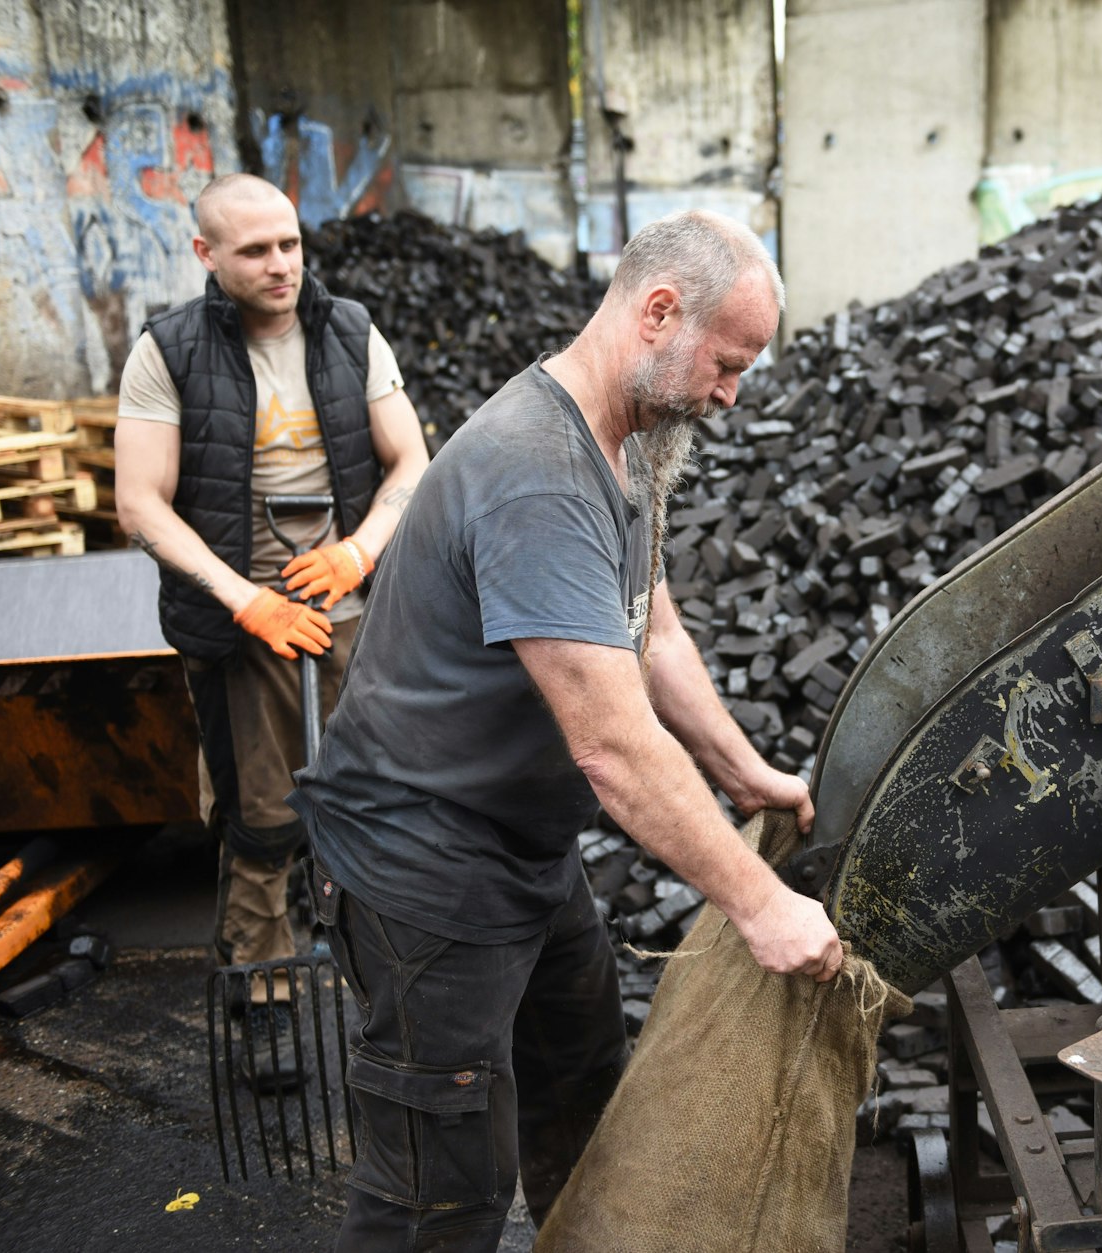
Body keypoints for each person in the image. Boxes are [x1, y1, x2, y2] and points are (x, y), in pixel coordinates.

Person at [289, 209, 843, 1250]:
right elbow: (611, 743)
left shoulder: (622, 445)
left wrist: (743, 769)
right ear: (659, 312)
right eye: (727, 364)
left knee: (580, 1093)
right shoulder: (533, 469)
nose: (729, 394)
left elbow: (653, 623)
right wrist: (759, 901)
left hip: (524, 852)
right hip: (424, 865)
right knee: (438, 1188)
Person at [115, 173, 429, 1088]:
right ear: (208, 255)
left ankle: (391, 987)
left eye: (290, 243)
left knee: (378, 800)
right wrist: (244, 598)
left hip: (355, 617)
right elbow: (141, 502)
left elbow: (410, 458)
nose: (281, 264)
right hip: (243, 629)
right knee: (259, 820)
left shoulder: (347, 331)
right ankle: (264, 995)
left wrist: (360, 553)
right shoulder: (168, 350)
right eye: (255, 250)